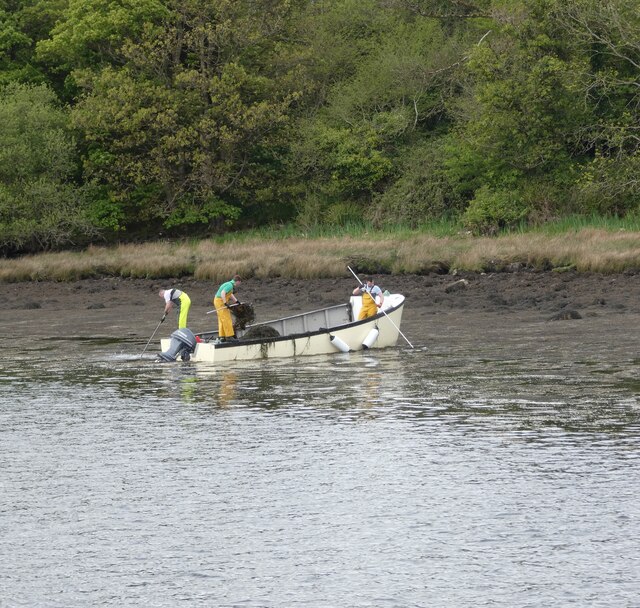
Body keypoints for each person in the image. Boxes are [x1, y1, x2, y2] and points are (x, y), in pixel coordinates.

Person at [213, 275, 242, 342]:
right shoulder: (230, 285)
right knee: (226, 318)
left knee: (221, 319)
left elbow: (230, 294)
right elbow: (223, 293)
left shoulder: (229, 284)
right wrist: (225, 303)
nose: (239, 284)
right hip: (220, 302)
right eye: (240, 282)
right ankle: (229, 336)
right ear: (237, 281)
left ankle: (222, 336)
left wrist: (236, 301)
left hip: (217, 301)